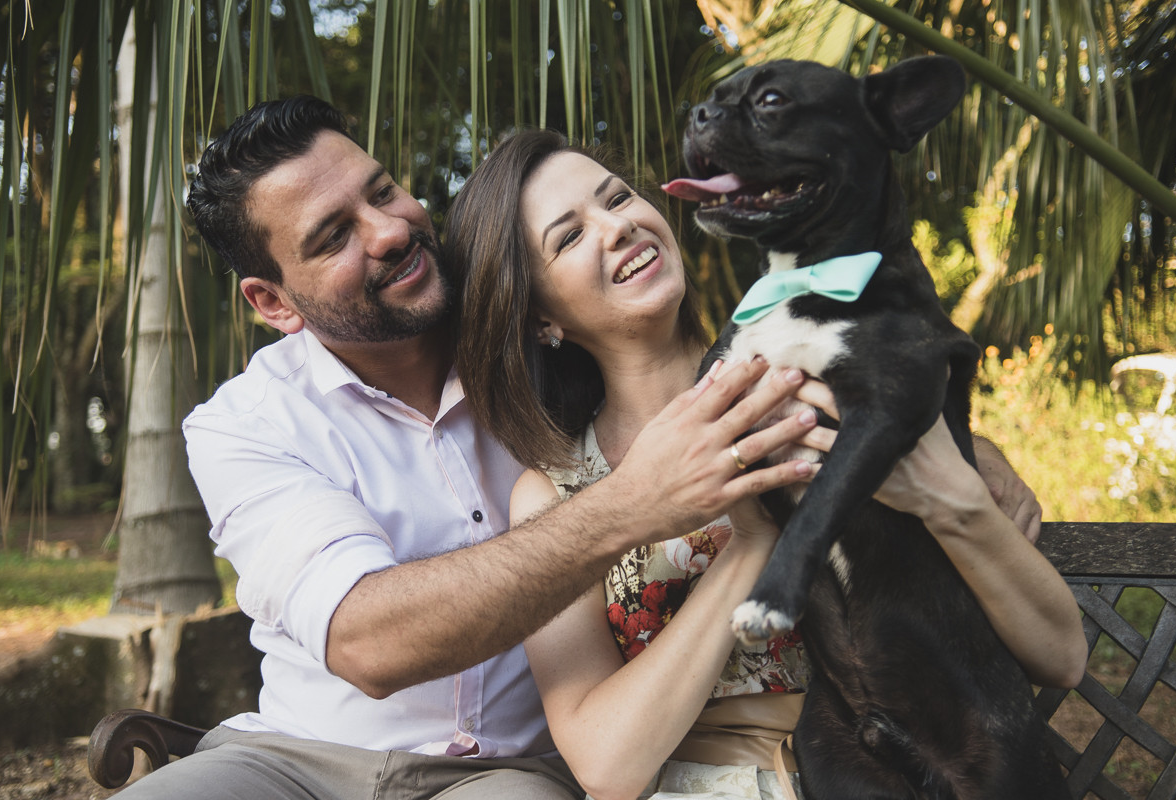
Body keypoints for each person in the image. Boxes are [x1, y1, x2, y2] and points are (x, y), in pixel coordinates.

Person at [112, 96, 824, 800]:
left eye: (383, 191)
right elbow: (368, 642)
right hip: (303, 759)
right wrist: (640, 499)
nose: (389, 231)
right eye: (333, 236)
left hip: (510, 774)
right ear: (274, 303)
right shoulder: (246, 424)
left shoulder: (532, 362)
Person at [447, 129, 1089, 800]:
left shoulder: (814, 380)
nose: (617, 226)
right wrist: (753, 545)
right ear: (539, 317)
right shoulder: (559, 497)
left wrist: (964, 457)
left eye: (618, 197)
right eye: (568, 237)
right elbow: (607, 766)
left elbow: (1059, 655)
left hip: (907, 765)